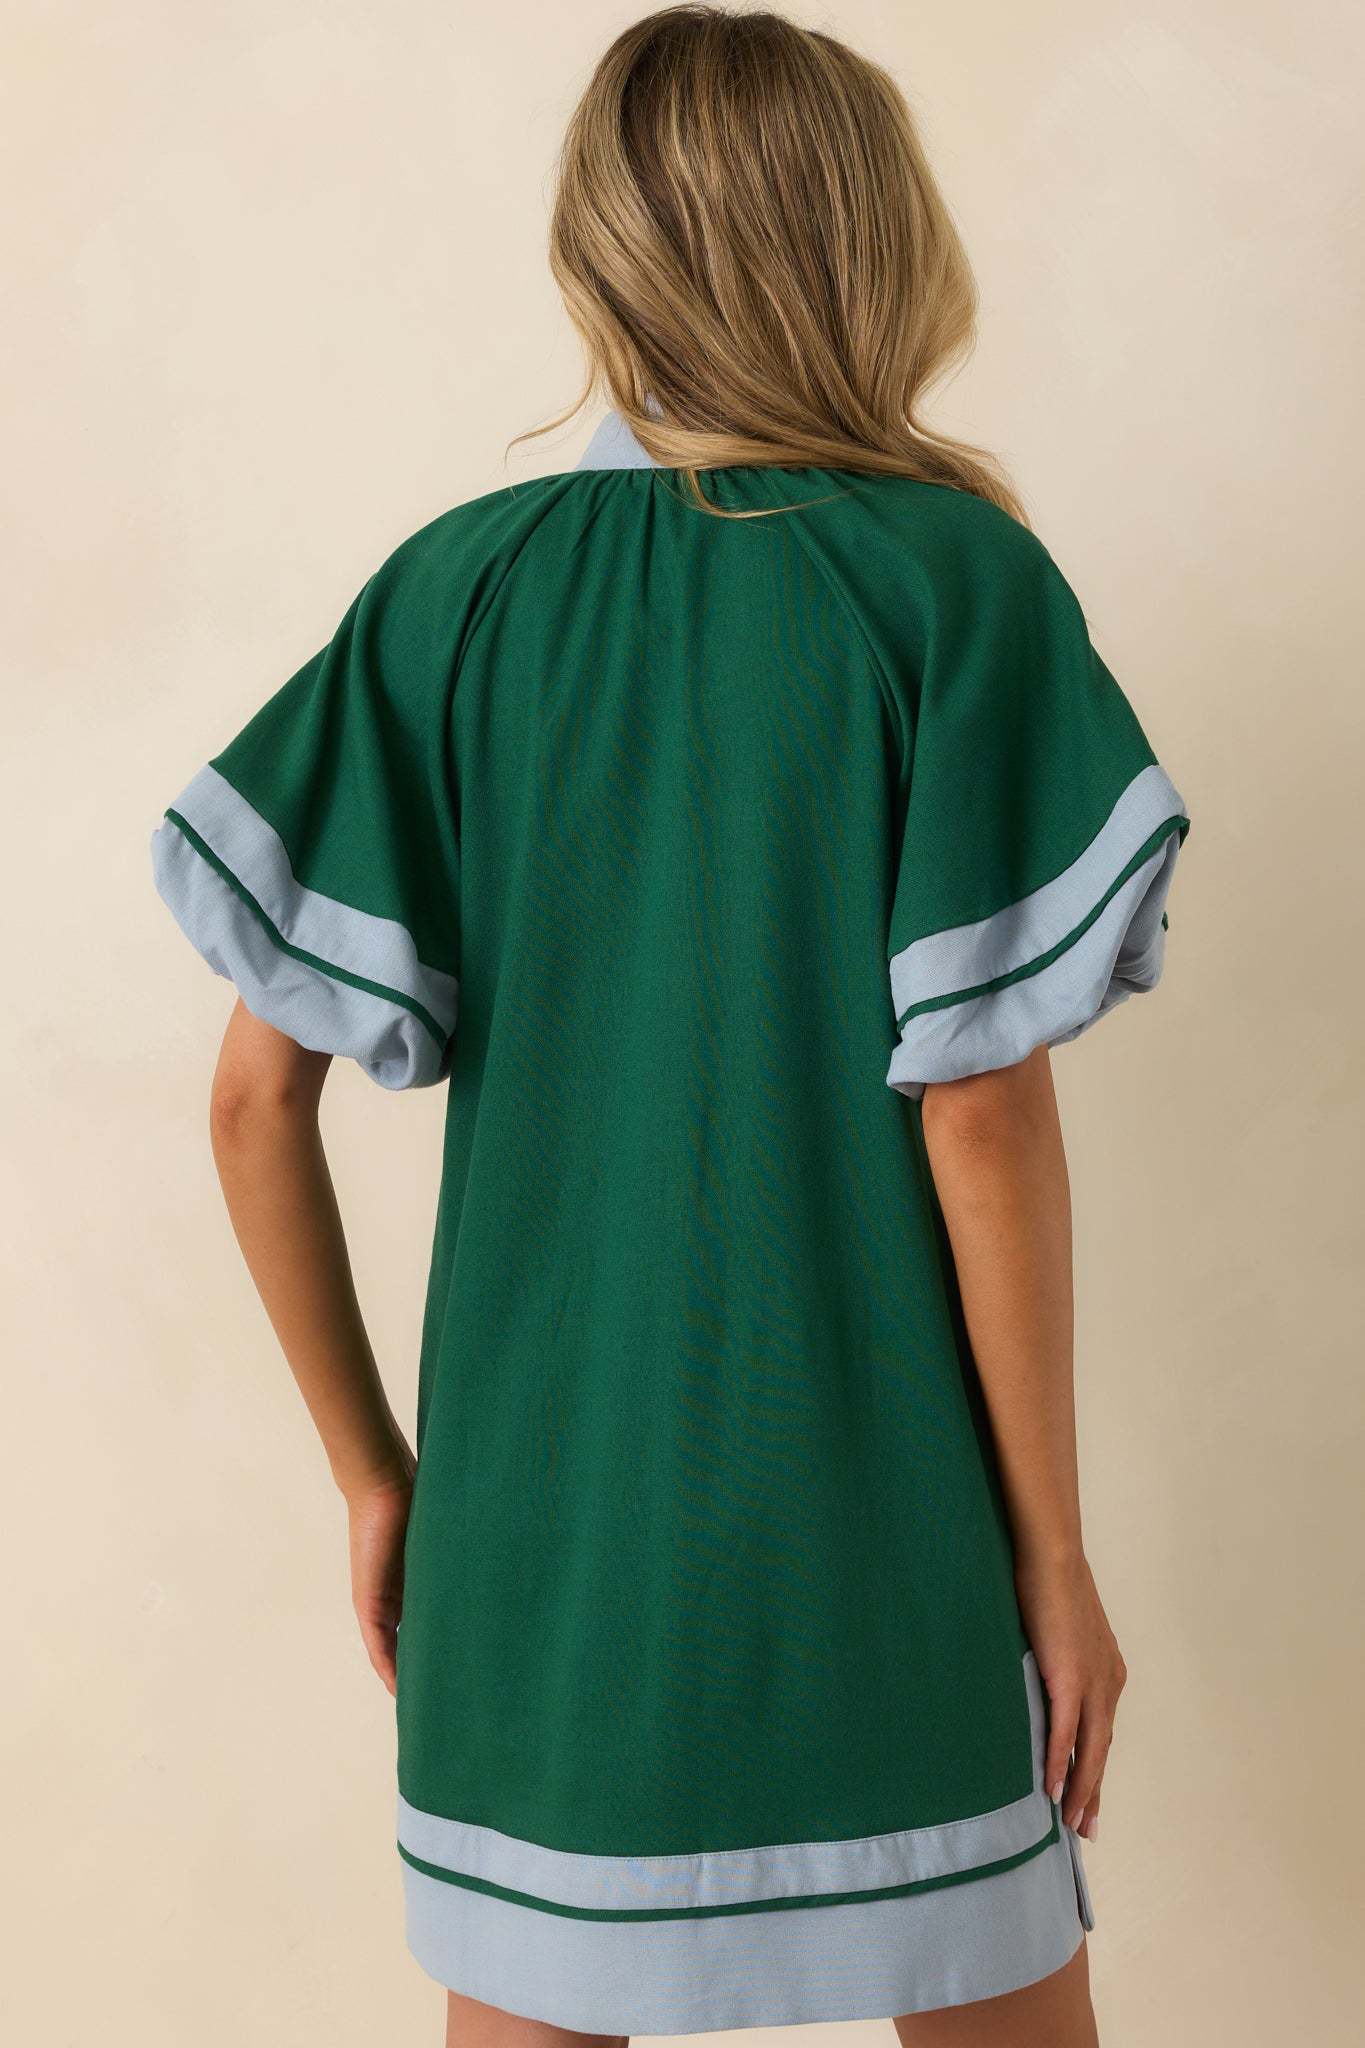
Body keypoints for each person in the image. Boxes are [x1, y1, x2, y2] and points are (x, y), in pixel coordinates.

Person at [151, 8, 1189, 2043]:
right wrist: (1053, 1561)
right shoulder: (949, 587)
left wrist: (378, 1478)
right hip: (885, 1548)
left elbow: (251, 1102)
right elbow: (975, 1112)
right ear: (867, 245)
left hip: (538, 1564)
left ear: (600, 252)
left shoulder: (448, 599)